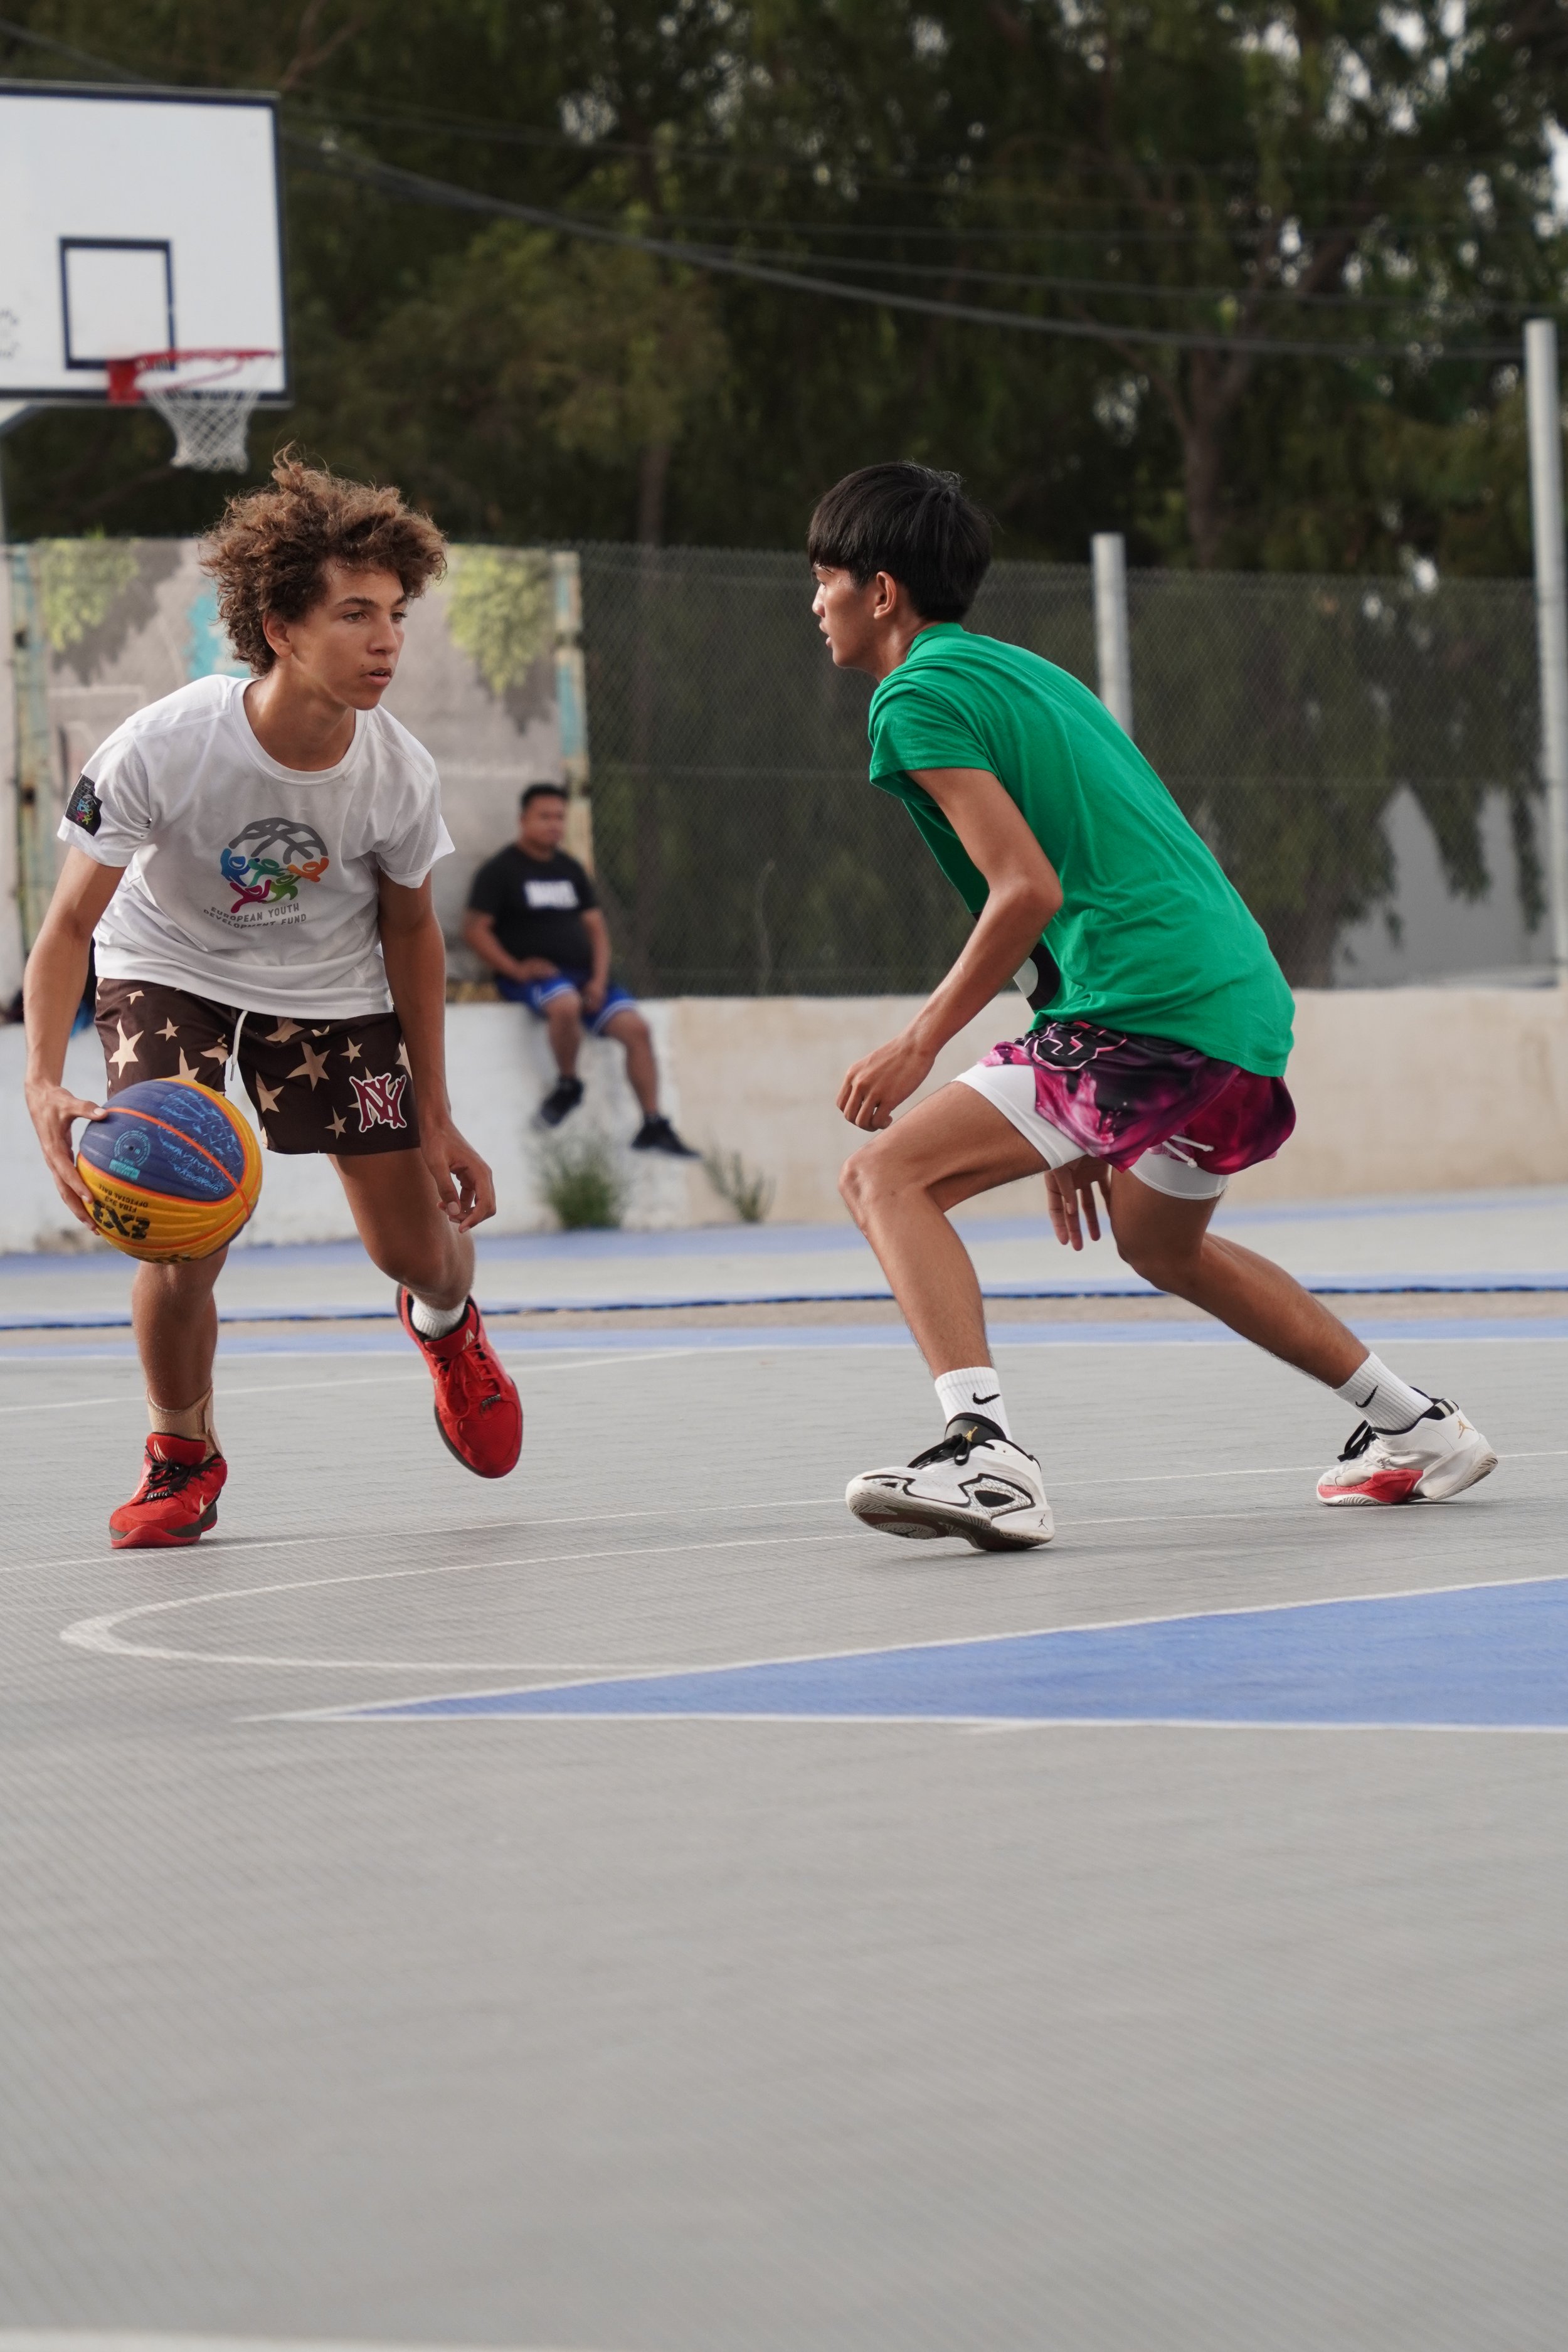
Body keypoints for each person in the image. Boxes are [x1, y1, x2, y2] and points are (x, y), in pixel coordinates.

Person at [810, 462, 1496, 1549]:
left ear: (881, 591)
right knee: (1161, 1245)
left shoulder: (915, 698)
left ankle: (986, 1458)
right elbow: (1096, 873)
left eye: (825, 579)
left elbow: (1027, 891)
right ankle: (1417, 1426)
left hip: (1147, 1003)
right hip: (1231, 1000)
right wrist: (1077, 1096)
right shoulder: (1026, 676)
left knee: (884, 1175)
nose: (815, 603)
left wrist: (919, 1042)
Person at [23, 453, 524, 1549]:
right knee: (177, 1228)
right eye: (355, 614)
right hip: (169, 966)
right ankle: (181, 1455)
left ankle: (446, 1324)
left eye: (395, 614)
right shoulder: (163, 746)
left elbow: (412, 934)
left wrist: (436, 1114)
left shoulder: (398, 772)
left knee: (415, 1248)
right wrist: (43, 1080)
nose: (387, 640)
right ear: (281, 629)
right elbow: (65, 928)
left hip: (329, 990)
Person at [464, 783, 698, 1154]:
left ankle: (653, 1123)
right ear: (523, 820)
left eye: (560, 817)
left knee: (637, 1029)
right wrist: (516, 969)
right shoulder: (500, 870)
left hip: (584, 977)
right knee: (565, 1004)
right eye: (544, 816)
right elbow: (475, 930)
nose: (554, 824)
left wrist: (599, 981)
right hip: (535, 980)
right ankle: (568, 1085)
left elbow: (597, 931)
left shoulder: (570, 869)